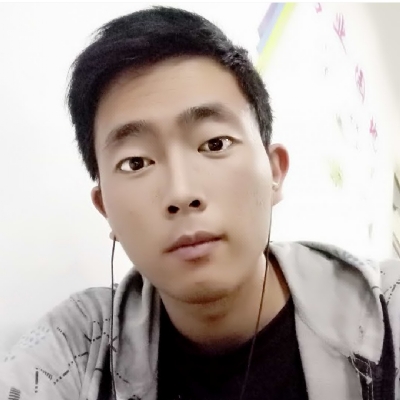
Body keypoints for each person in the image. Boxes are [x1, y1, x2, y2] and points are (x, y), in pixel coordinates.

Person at [1, 5, 399, 400]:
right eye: (136, 162)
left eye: (215, 143)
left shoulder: (388, 313)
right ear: (106, 209)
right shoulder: (74, 350)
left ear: (274, 171)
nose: (181, 193)